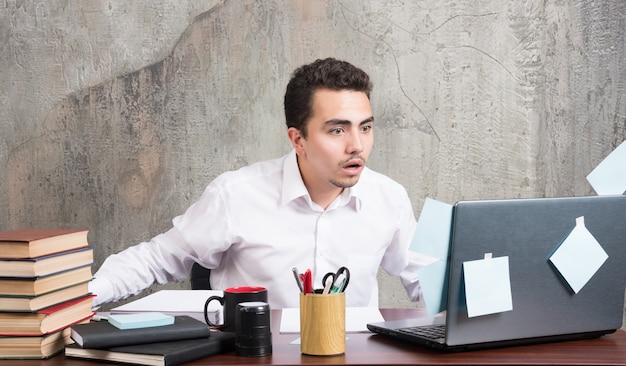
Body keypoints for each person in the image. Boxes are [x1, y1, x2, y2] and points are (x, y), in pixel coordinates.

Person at [89, 58, 434, 309]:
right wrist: (85, 296)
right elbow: (156, 258)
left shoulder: (389, 197)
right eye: (337, 130)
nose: (356, 144)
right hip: (254, 358)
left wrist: (476, 288)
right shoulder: (236, 195)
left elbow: (429, 281)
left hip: (354, 357)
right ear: (298, 139)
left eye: (366, 127)